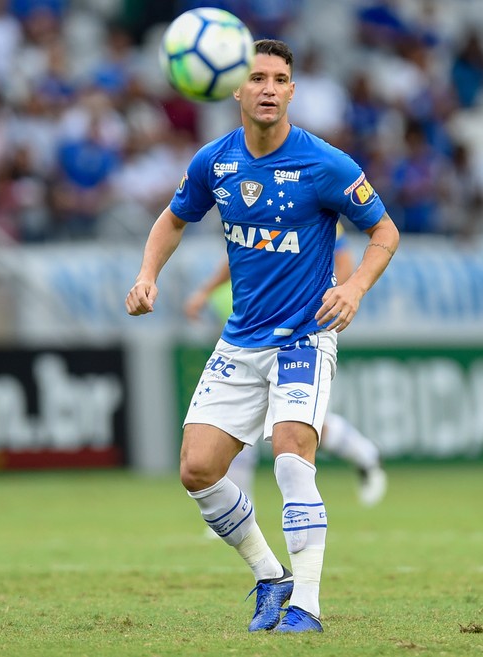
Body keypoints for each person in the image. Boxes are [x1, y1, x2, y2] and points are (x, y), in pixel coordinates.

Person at [125, 39, 399, 634]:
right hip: (241, 340)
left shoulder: (325, 163)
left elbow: (383, 231)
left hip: (305, 334)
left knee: (292, 455)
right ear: (236, 88)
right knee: (197, 470)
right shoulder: (214, 162)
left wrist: (353, 291)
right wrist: (148, 275)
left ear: (293, 91)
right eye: (257, 78)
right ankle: (270, 576)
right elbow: (173, 219)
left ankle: (307, 605)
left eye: (279, 78)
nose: (269, 87)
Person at [184, 225, 388, 509]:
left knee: (298, 425)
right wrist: (206, 291)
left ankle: (364, 454)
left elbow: (342, 258)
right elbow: (237, 258)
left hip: (301, 330)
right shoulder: (258, 207)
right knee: (252, 423)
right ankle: (240, 510)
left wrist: (326, 305)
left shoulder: (312, 202)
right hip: (256, 328)